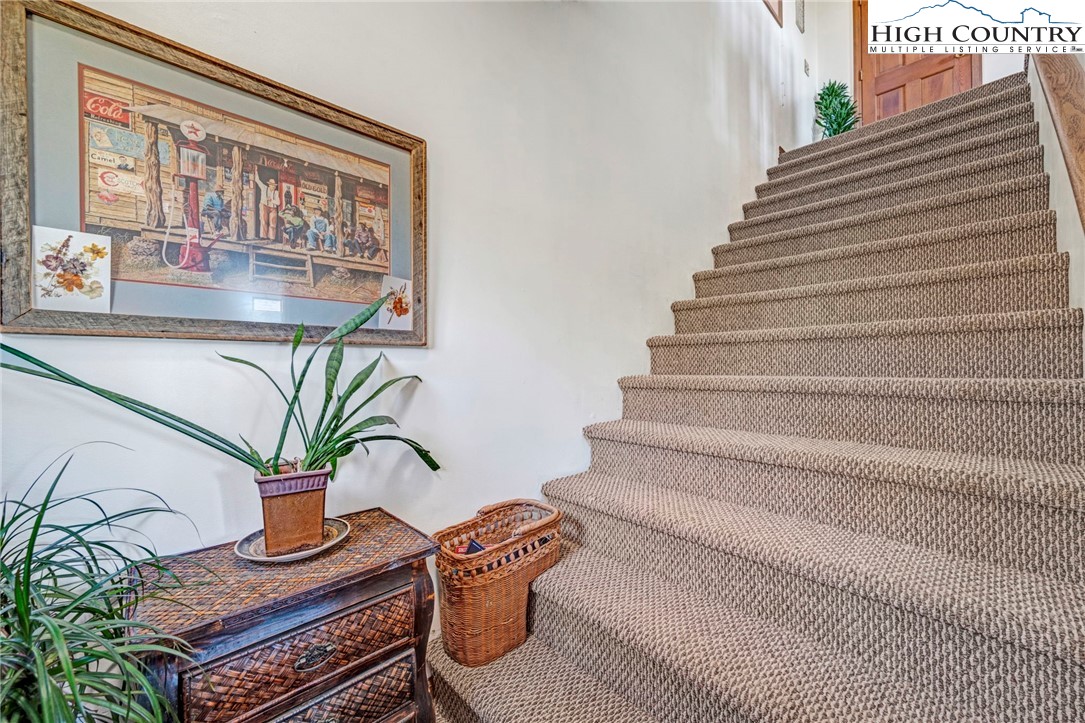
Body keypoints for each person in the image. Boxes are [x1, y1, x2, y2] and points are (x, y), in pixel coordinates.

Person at [254, 174, 279, 240]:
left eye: (274, 185)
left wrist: (272, 200)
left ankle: (271, 237)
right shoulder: (264, 188)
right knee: (263, 221)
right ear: (269, 185)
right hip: (264, 206)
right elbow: (257, 180)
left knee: (273, 223)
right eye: (272, 185)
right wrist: (256, 171)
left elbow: (278, 202)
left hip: (273, 208)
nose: (273, 186)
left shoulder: (276, 193)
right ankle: (263, 236)